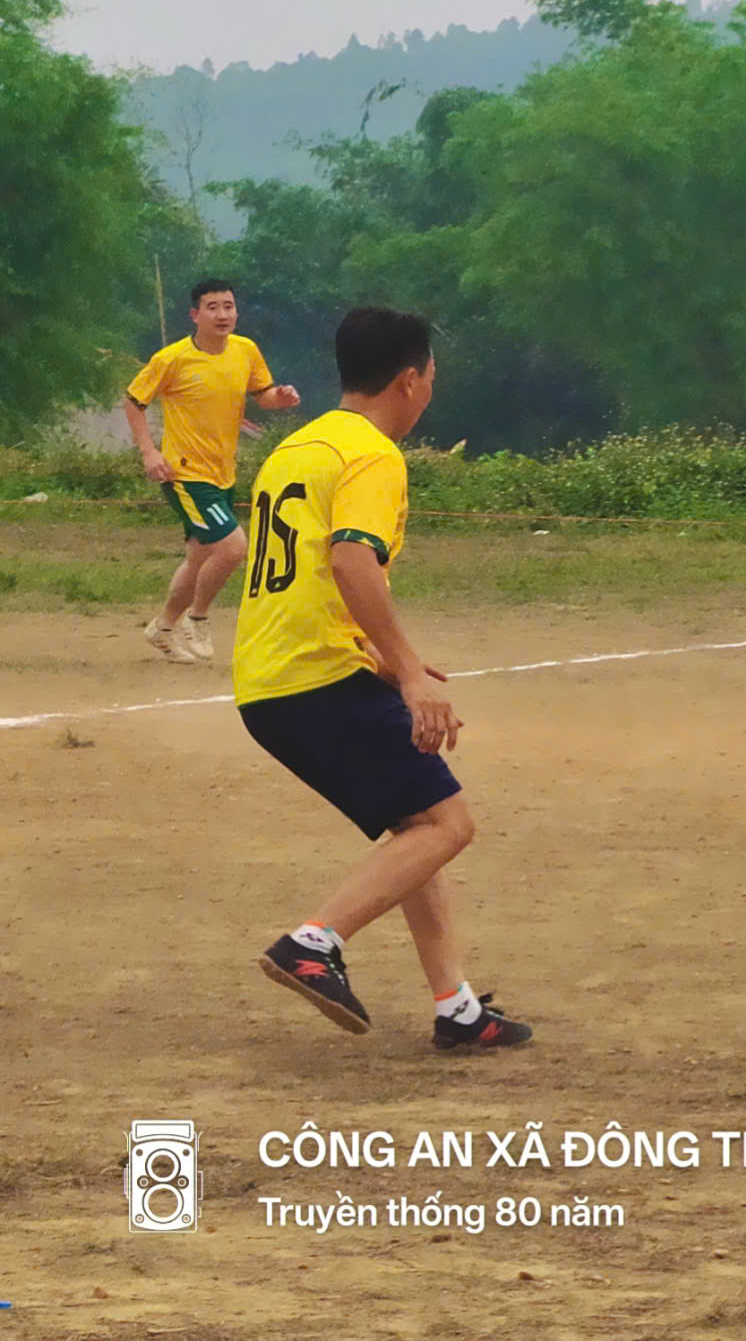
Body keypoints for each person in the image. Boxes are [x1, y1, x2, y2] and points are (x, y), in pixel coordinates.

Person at [237, 307, 530, 1050]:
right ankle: (313, 942)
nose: (430, 389)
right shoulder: (372, 454)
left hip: (276, 677)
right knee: (447, 823)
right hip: (312, 678)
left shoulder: (298, 448)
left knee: (418, 811)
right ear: (408, 379)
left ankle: (456, 1007)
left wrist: (384, 652)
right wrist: (408, 674)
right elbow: (350, 560)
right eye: (431, 376)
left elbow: (302, 574)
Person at [122, 279, 301, 663]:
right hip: (184, 474)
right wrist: (149, 452)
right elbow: (133, 401)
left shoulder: (245, 350)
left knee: (200, 559)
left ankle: (163, 628)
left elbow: (262, 395)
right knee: (234, 547)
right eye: (213, 307)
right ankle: (197, 618)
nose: (223, 314)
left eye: (229, 306)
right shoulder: (171, 359)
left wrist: (279, 399)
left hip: (223, 472)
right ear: (195, 315)